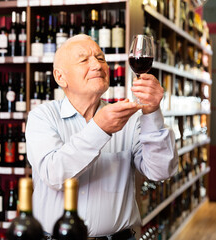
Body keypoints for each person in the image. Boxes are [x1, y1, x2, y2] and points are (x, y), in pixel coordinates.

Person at [26, 34, 178, 240]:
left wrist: (152, 112)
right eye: (84, 59)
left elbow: (161, 171)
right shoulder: (42, 117)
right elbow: (54, 175)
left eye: (100, 58)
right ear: (60, 77)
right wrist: (100, 129)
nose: (97, 65)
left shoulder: (129, 119)